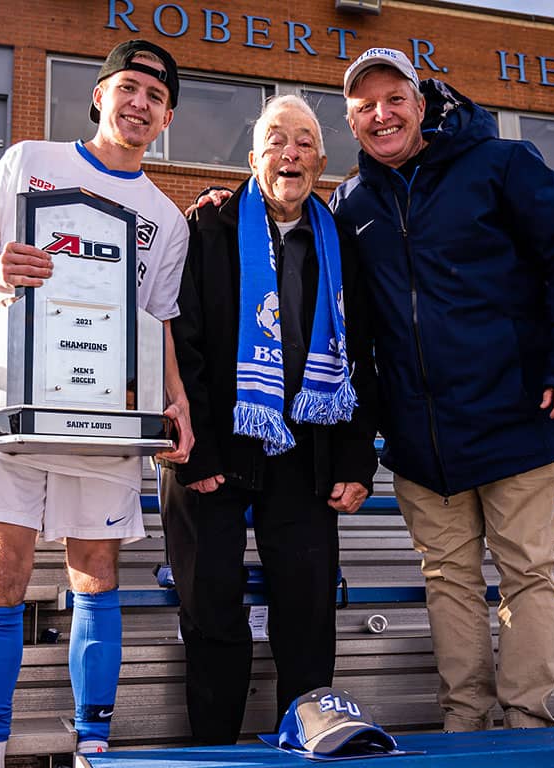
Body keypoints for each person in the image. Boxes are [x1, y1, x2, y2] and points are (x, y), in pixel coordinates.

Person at [330, 48, 554, 731]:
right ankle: (465, 723)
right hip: (422, 437)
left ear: (421, 106)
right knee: (449, 584)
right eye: (365, 106)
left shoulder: (502, 164)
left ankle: (525, 725)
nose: (381, 114)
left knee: (527, 578)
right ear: (351, 121)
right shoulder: (352, 201)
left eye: (394, 98)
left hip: (514, 415)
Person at [0, 40, 193, 767]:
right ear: (99, 96)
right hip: (13, 409)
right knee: (3, 569)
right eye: (127, 87)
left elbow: (159, 321)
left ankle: (94, 742)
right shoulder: (30, 160)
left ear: (168, 115)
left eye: (154, 95)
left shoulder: (165, 219)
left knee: (97, 573)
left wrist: (176, 400)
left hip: (105, 419)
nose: (139, 102)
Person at [160, 94, 378, 745]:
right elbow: (181, 345)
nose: (291, 153)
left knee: (309, 616)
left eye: (305, 142)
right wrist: (191, 455)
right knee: (213, 612)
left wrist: (354, 460)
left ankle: (310, 742)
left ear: (322, 161)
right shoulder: (207, 229)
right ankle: (215, 751)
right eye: (277, 140)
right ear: (253, 157)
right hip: (214, 450)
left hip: (306, 454)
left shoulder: (342, 242)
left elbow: (360, 354)